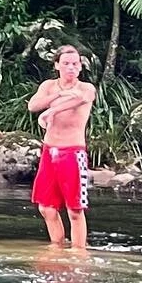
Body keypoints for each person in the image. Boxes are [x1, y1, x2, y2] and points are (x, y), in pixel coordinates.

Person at [27, 45, 96, 249]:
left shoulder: (85, 88)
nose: (71, 68)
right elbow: (33, 105)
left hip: (73, 152)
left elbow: (78, 100)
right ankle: (57, 246)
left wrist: (51, 112)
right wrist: (53, 100)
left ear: (80, 67)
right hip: (50, 151)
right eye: (66, 63)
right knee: (46, 208)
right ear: (57, 65)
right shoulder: (49, 86)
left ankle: (78, 251)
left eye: (75, 64)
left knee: (74, 209)